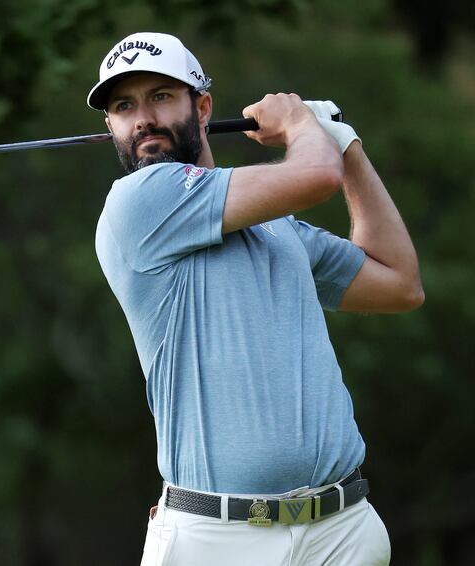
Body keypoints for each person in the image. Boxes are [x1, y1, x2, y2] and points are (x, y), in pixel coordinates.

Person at [88, 32, 423, 565]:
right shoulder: (137, 202)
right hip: (219, 540)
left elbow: (400, 284)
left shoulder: (277, 228)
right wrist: (300, 126)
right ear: (111, 127)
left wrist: (345, 143)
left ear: (202, 108)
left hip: (342, 532)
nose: (143, 119)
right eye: (123, 107)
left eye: (160, 97)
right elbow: (313, 174)